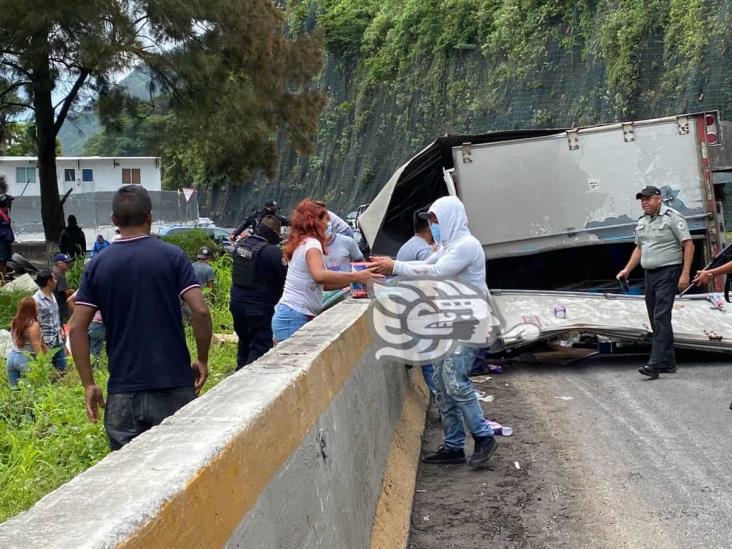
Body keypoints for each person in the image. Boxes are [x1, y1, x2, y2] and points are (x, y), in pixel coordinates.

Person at [69, 185, 213, 450]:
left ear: (114, 221)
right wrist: (202, 359)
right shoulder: (173, 256)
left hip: (124, 391)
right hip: (174, 385)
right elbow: (201, 311)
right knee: (181, 473)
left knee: (129, 480)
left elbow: (76, 328)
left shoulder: (98, 265)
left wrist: (89, 383)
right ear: (150, 217)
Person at [371, 196, 498, 468]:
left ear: (451, 217)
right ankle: (453, 446)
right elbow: (426, 265)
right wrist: (392, 266)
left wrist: (394, 266)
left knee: (454, 380)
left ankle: (484, 437)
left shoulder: (466, 246)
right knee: (441, 385)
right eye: (431, 221)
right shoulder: (449, 246)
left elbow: (437, 272)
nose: (433, 225)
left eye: (436, 220)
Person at [271, 199, 380, 342]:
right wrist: (357, 276)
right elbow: (320, 276)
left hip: (291, 313)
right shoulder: (312, 244)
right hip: (294, 316)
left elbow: (324, 285)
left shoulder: (302, 241)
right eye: (326, 219)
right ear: (314, 222)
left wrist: (353, 281)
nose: (329, 224)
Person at [617, 185, 694, 379]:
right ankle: (668, 362)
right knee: (655, 317)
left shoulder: (672, 217)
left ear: (658, 198)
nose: (645, 202)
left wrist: (685, 274)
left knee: (661, 316)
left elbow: (688, 244)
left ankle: (656, 364)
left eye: (648, 199)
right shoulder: (643, 221)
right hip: (649, 274)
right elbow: (639, 247)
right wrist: (627, 269)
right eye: (642, 199)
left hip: (668, 272)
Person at [230, 215, 287, 369]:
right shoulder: (272, 252)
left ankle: (238, 374)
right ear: (274, 233)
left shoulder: (241, 245)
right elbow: (284, 278)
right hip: (259, 308)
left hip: (236, 304)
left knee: (244, 343)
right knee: (260, 347)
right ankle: (245, 381)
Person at [396, 208, 438, 397]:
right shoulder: (423, 250)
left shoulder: (407, 246)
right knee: (433, 361)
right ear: (429, 227)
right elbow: (430, 277)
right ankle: (443, 400)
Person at [33, 269, 67, 374]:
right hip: (46, 342)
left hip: (57, 338)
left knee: (63, 370)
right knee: (48, 372)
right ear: (49, 282)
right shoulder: (36, 300)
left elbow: (55, 315)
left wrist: (61, 329)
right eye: (54, 279)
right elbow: (36, 323)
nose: (56, 281)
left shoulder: (52, 295)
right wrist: (41, 344)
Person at [6, 297, 44, 388]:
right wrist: (43, 363)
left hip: (12, 356)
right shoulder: (33, 325)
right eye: (37, 306)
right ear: (32, 309)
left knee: (14, 390)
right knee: (34, 389)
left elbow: (13, 338)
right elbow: (36, 345)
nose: (38, 308)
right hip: (25, 357)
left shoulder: (15, 321)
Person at [52, 253, 74, 323]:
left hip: (53, 306)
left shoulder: (53, 271)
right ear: (59, 263)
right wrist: (74, 291)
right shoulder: (59, 274)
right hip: (59, 307)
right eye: (66, 262)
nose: (68, 264)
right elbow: (66, 291)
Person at [0, 188, 15, 281]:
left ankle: (2, 280)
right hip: (1, 243)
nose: (9, 205)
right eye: (8, 203)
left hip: (5, 243)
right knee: (1, 262)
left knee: (4, 262)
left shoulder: (4, 214)